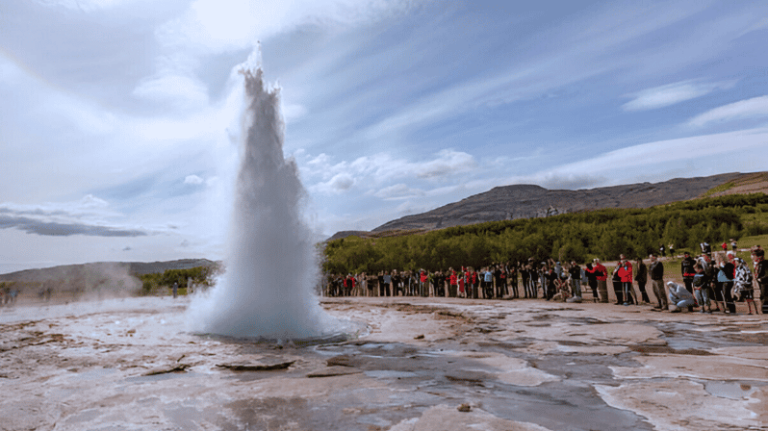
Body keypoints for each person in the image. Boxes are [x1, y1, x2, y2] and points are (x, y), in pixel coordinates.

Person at [754, 249, 767, 314]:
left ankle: (765, 310)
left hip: (765, 282)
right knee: (762, 295)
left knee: (765, 296)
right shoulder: (758, 263)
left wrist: (761, 278)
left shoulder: (765, 263)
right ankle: (764, 309)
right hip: (761, 282)